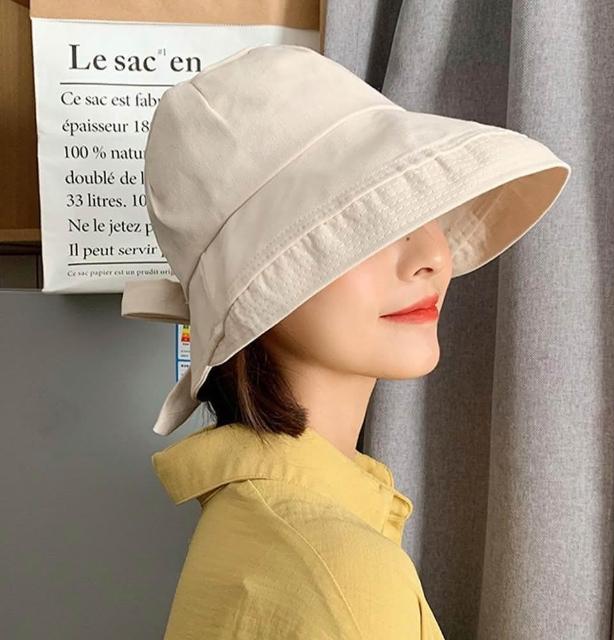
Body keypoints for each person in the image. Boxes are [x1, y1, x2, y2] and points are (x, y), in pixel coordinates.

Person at [121, 44, 571, 639]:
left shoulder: (265, 519)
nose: (434, 257)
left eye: (427, 212)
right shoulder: (343, 572)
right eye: (368, 225)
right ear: (261, 284)